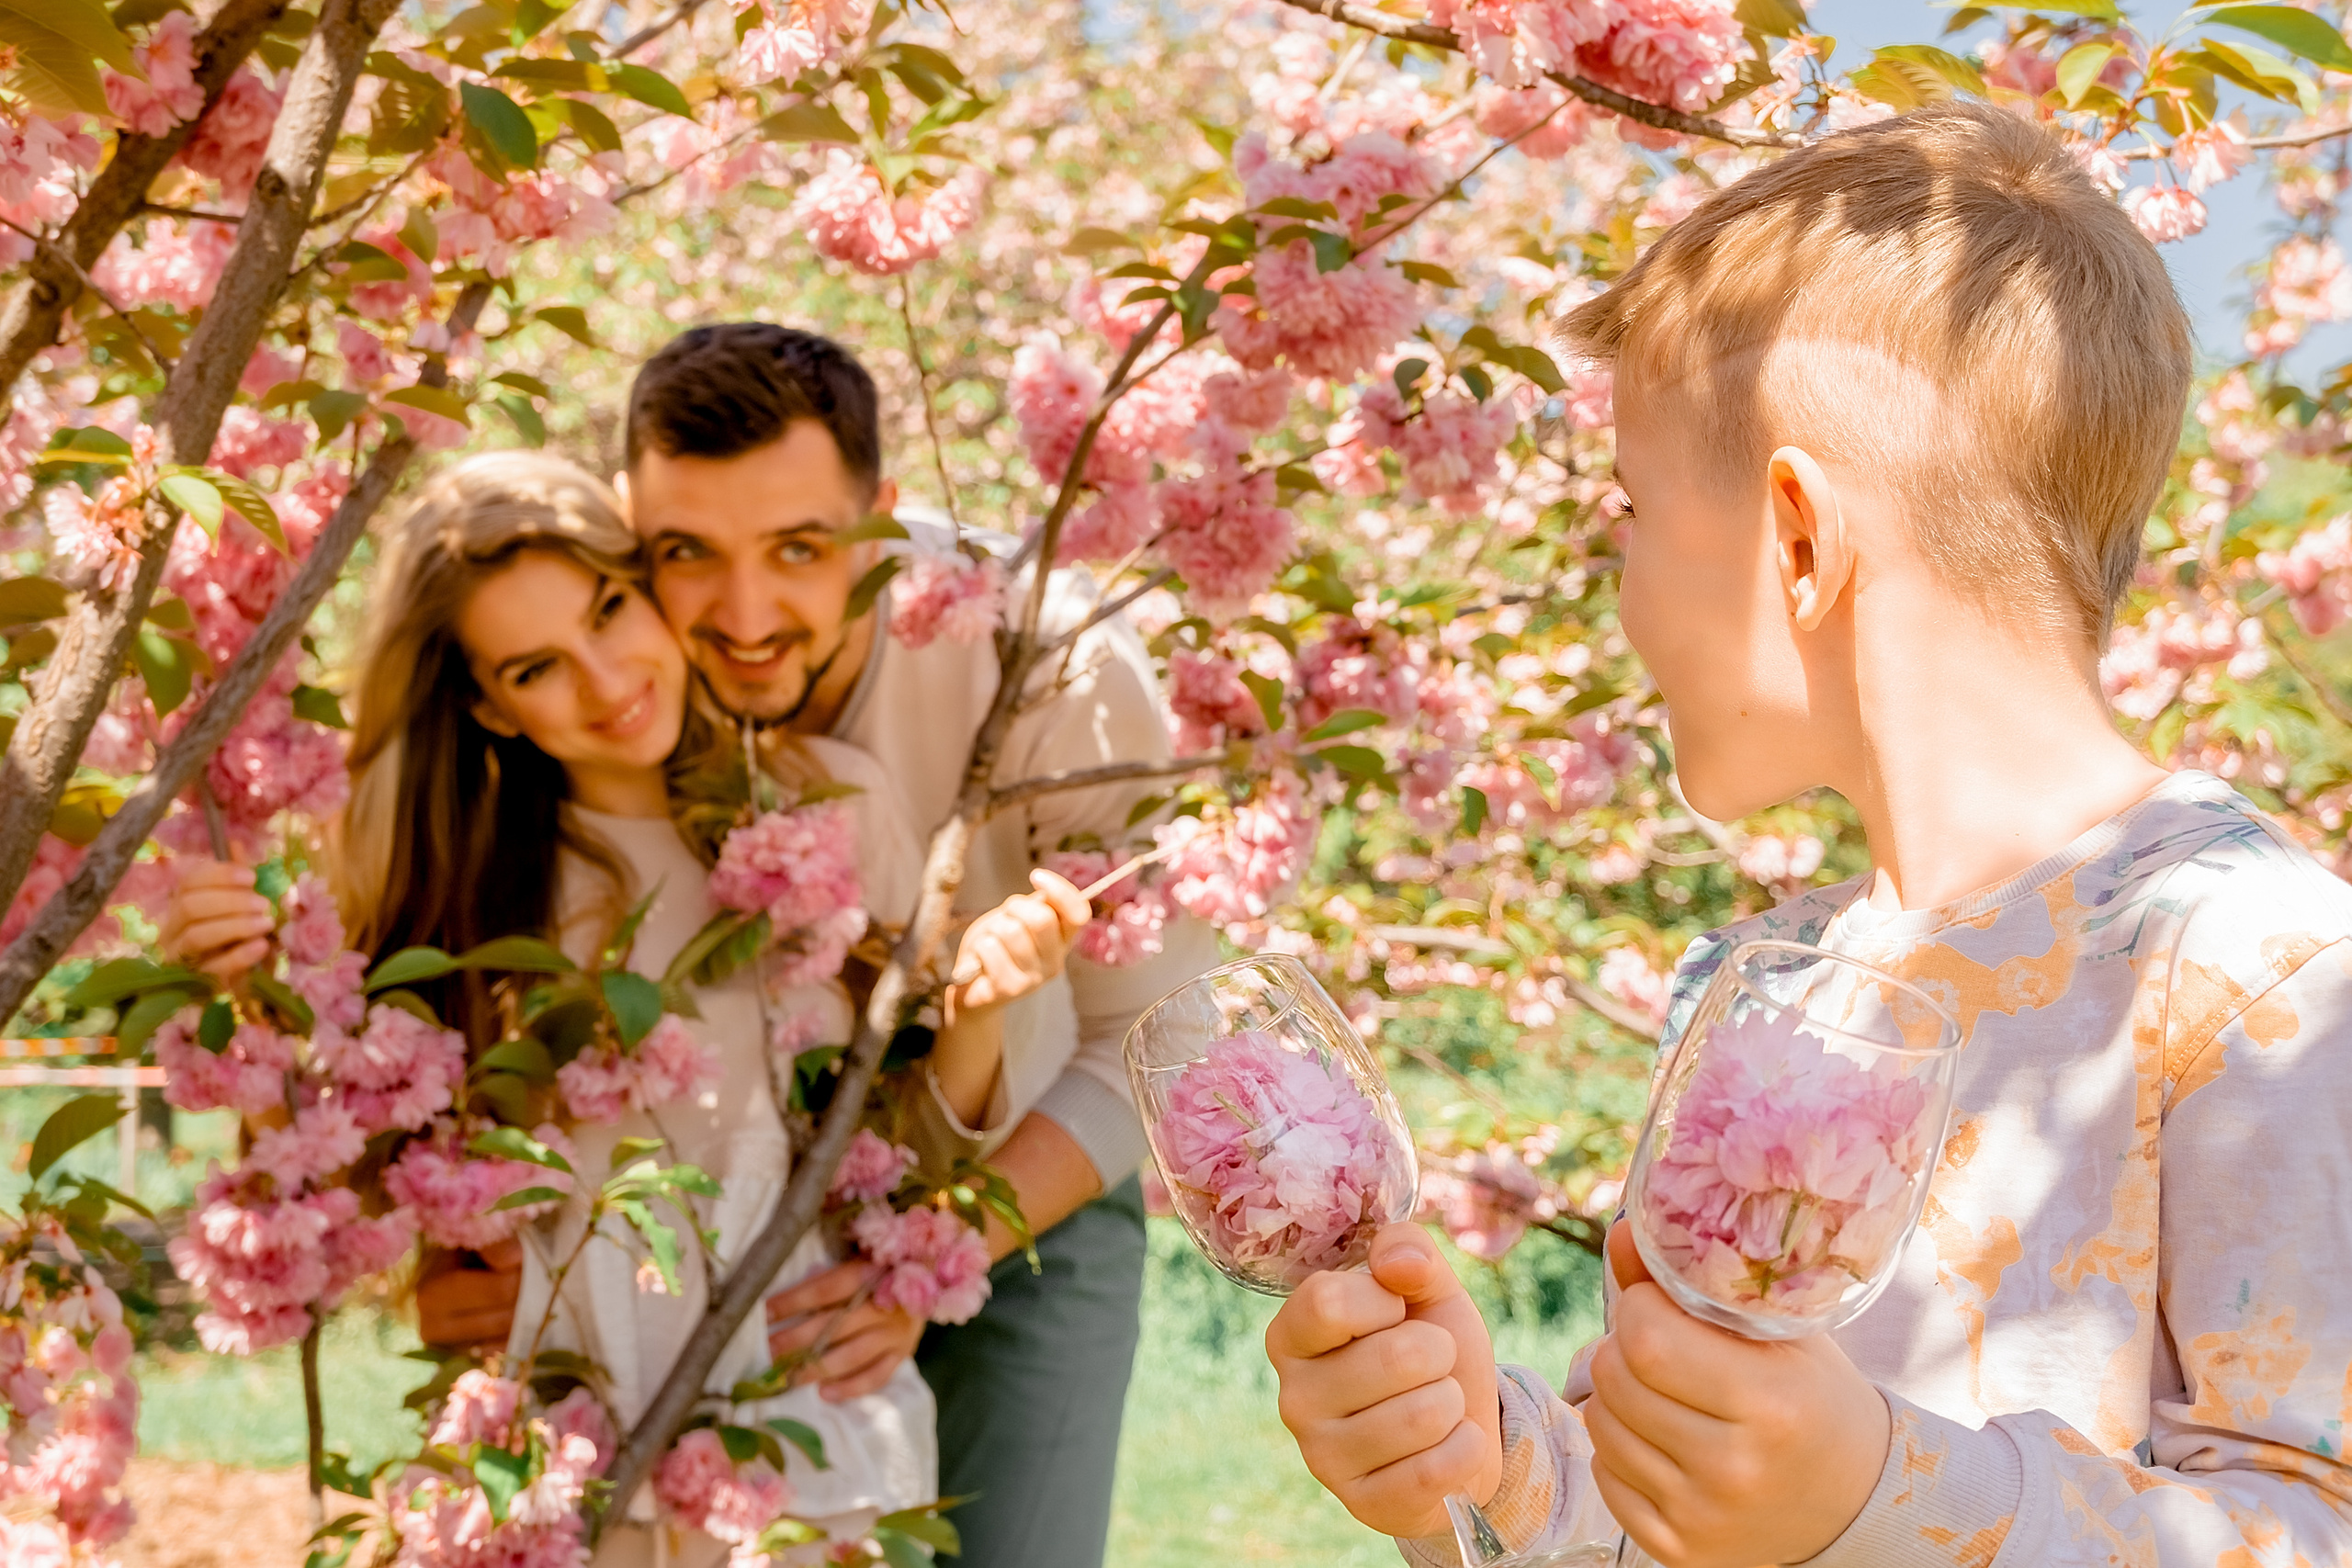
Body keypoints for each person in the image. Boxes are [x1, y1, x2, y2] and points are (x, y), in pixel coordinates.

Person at [1262, 101, 2352, 1568]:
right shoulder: (1758, 983)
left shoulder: (2260, 974)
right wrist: (1493, 1464)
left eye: (1632, 511)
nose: (1618, 590)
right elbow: (1697, 1524)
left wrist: (1882, 1490)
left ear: (1795, 537)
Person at [162, 451, 1091, 1562]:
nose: (608, 682)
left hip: (812, 1431)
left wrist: (978, 1012)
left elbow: (912, 1145)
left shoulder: (830, 807)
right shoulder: (472, 897)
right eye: (539, 666)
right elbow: (345, 1194)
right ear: (487, 706)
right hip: (559, 1453)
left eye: (610, 609)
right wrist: (241, 1007)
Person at [616, 323, 1221, 1568]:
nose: (743, 613)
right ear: (630, 522)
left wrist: (945, 1246)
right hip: (739, 1209)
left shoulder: (1049, 655)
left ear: (884, 517)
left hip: (1029, 1180)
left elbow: (1161, 1029)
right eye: (688, 551)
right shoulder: (607, 649)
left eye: (799, 549)